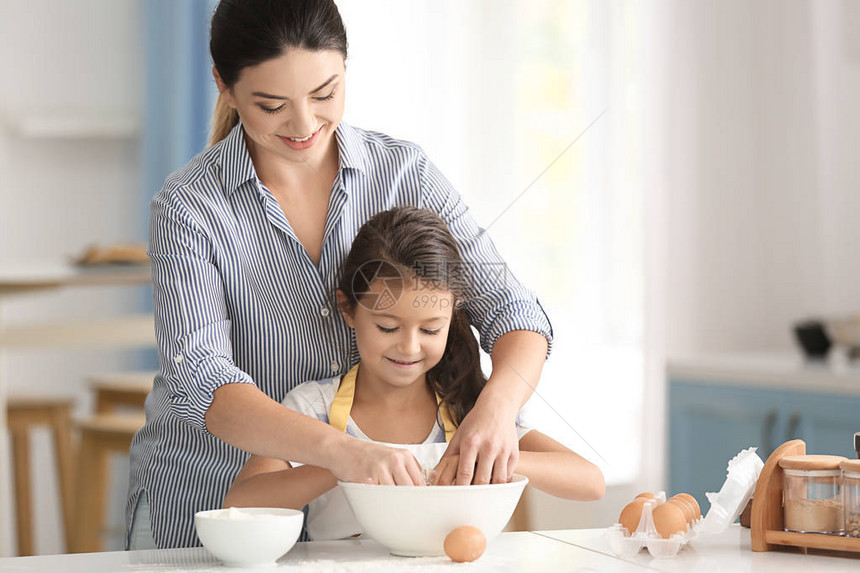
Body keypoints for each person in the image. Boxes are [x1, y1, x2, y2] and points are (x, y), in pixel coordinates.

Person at [127, 0, 553, 549]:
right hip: (211, 509)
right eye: (272, 104)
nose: (304, 124)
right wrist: (340, 450)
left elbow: (514, 311)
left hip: (356, 528)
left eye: (324, 94)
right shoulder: (190, 208)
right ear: (224, 87)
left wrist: (496, 411)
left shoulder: (405, 173)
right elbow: (203, 381)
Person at [222, 207, 604, 541]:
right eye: (387, 328)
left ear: (452, 316)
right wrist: (341, 463)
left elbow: (590, 482)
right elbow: (241, 502)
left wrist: (488, 454)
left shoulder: (467, 410)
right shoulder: (313, 407)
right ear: (348, 310)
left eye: (430, 330)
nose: (409, 347)